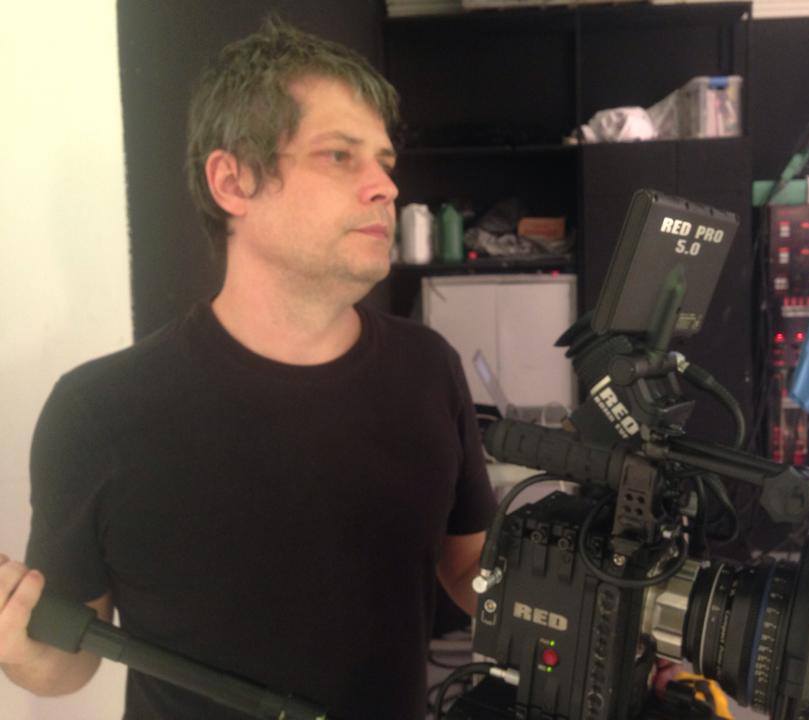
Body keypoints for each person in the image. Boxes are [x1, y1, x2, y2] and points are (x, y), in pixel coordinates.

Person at [0, 17, 496, 720]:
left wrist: (597, 603)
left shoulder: (428, 369)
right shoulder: (100, 410)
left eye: (384, 160)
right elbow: (65, 660)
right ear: (232, 181)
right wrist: (21, 651)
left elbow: (467, 566)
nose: (384, 186)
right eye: (339, 155)